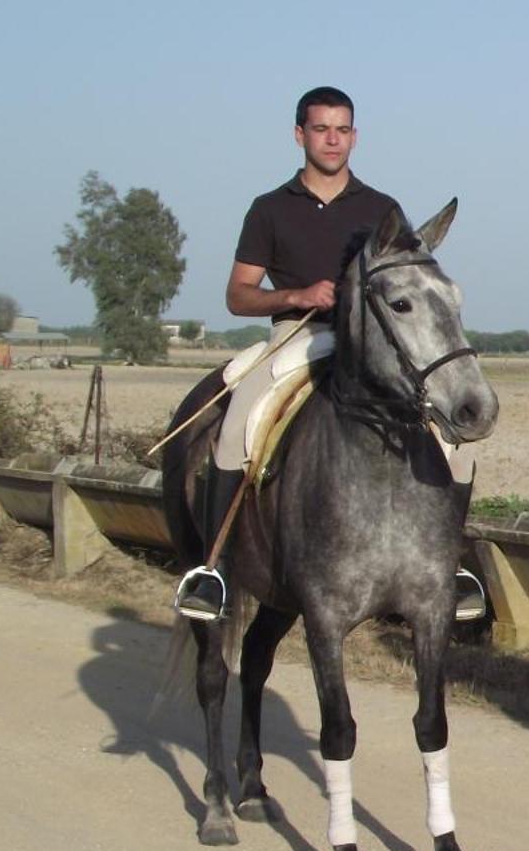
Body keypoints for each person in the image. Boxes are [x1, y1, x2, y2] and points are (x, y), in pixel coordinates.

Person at [172, 87, 483, 622]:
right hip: (297, 335)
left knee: (453, 441)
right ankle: (213, 569)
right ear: (300, 135)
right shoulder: (269, 209)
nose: (332, 139)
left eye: (342, 130)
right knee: (240, 423)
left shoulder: (382, 209)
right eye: (321, 129)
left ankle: (447, 565)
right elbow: (238, 294)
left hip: (372, 346)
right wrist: (296, 295)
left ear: (354, 137)